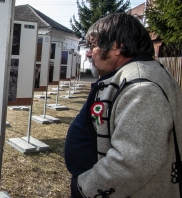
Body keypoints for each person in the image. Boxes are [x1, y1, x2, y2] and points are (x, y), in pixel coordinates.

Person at [64, 13, 182, 197]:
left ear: (117, 46)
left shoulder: (143, 88)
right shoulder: (133, 75)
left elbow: (133, 163)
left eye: (94, 45)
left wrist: (85, 188)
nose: (88, 52)